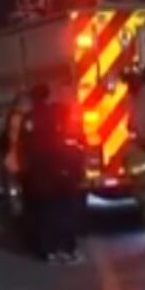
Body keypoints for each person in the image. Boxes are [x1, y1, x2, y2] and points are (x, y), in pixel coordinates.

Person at [18, 83, 86, 263]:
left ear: (33, 99)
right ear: (47, 96)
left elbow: (23, 146)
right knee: (65, 209)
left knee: (44, 212)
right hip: (61, 170)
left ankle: (48, 250)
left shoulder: (29, 119)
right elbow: (73, 132)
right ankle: (68, 248)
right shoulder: (58, 112)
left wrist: (25, 172)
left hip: (39, 173)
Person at [124, 64, 145, 250]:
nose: (127, 84)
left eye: (130, 80)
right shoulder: (139, 97)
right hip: (144, 155)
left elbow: (142, 128)